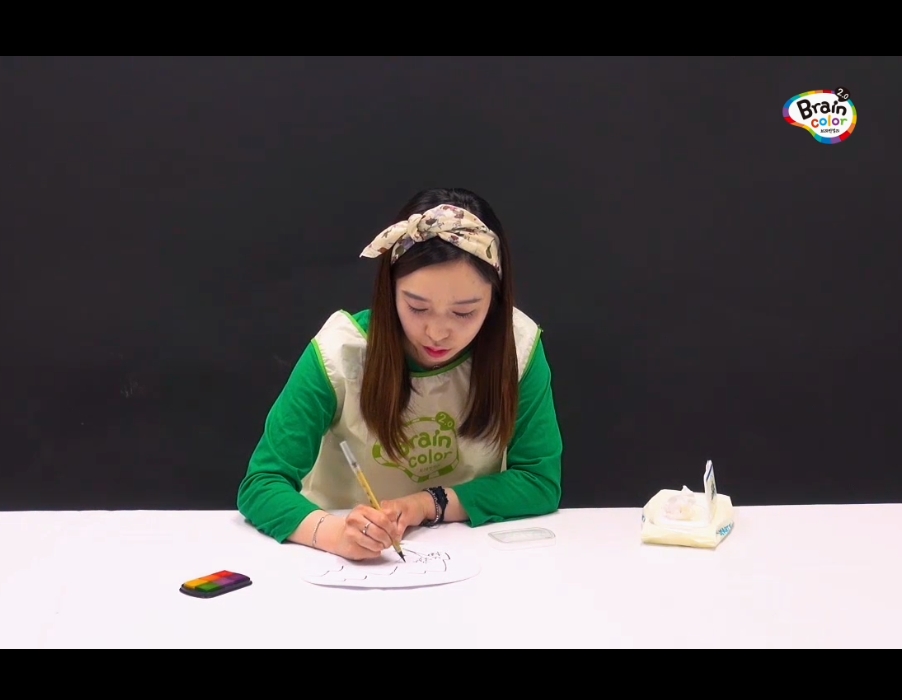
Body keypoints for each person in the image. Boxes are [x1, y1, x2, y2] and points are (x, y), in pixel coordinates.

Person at [237, 187, 563, 560]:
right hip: (339, 562)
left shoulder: (517, 348)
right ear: (390, 290)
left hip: (467, 558)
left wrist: (428, 504)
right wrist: (336, 535)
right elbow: (262, 484)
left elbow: (538, 481)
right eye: (416, 307)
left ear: (496, 298)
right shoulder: (339, 354)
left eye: (464, 312)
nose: (437, 333)